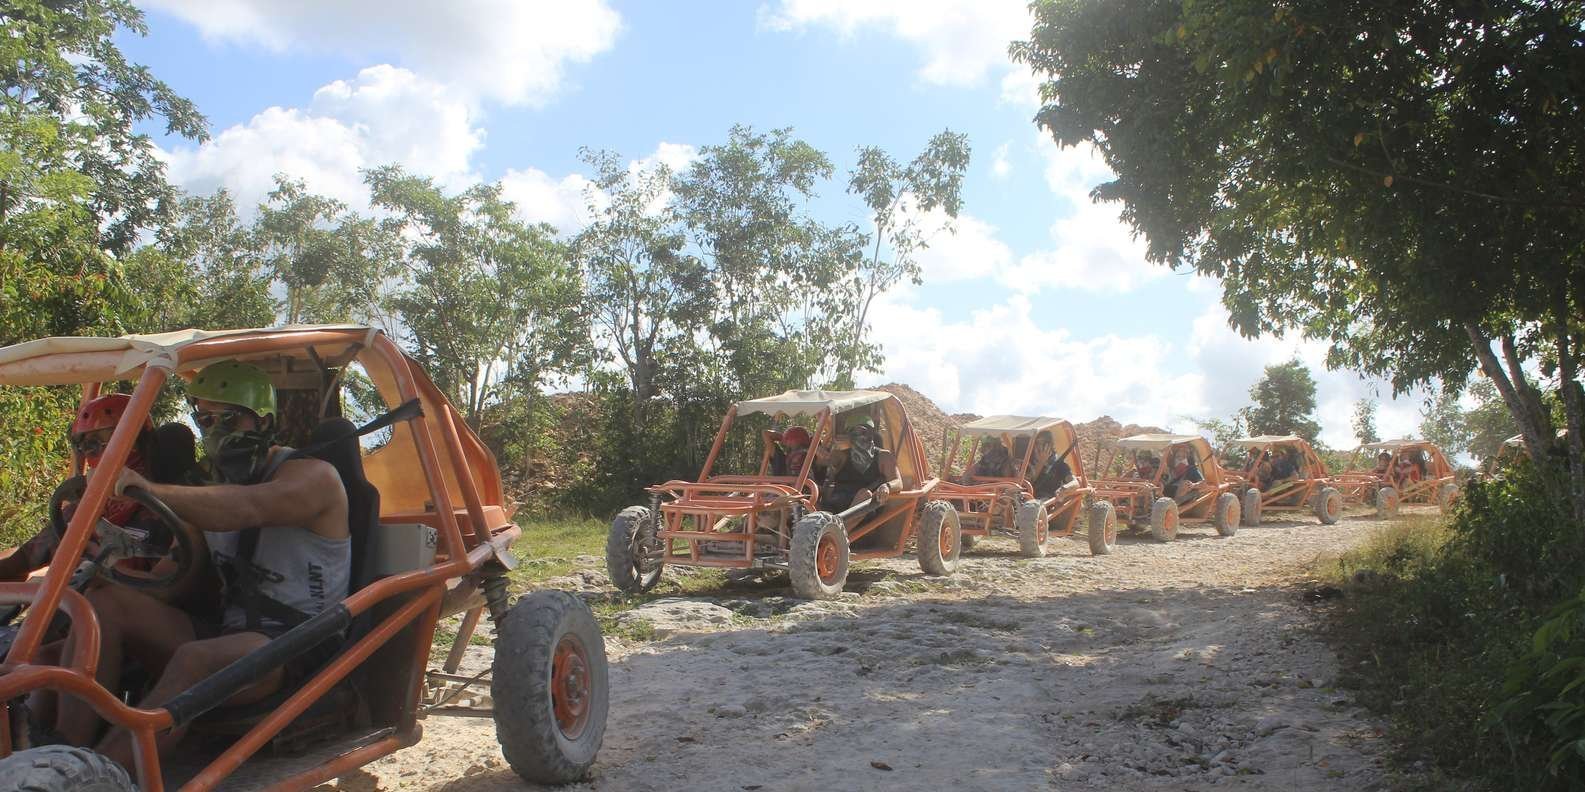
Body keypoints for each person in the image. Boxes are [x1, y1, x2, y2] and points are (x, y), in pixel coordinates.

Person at [68, 360, 350, 770]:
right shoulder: (208, 491)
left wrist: (149, 489)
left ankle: (95, 775)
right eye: (205, 419)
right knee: (103, 607)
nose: (215, 431)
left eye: (228, 419)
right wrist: (102, 567)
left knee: (195, 658)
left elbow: (249, 508)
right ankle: (57, 749)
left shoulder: (315, 477)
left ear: (264, 420)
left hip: (298, 642)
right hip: (231, 635)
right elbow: (171, 584)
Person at [816, 415, 900, 512]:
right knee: (811, 492)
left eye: (864, 431)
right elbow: (820, 465)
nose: (861, 436)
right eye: (855, 432)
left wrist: (887, 486)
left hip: (864, 508)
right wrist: (821, 452)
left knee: (864, 494)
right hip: (837, 503)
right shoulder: (841, 455)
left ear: (872, 433)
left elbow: (898, 482)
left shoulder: (884, 456)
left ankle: (841, 522)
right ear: (849, 435)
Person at [1028, 431, 1076, 500]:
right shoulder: (1029, 462)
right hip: (1027, 499)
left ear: (1049, 446)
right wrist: (1041, 462)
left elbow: (1074, 482)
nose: (1037, 446)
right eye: (1036, 443)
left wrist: (1064, 489)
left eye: (1041, 443)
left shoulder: (1059, 464)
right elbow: (1027, 483)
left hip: (1046, 501)